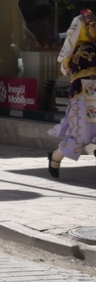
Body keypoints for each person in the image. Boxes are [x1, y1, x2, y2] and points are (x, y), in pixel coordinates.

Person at [47, 9, 96, 178]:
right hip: (84, 96)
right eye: (93, 25)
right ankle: (55, 157)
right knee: (81, 135)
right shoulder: (83, 49)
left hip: (93, 95)